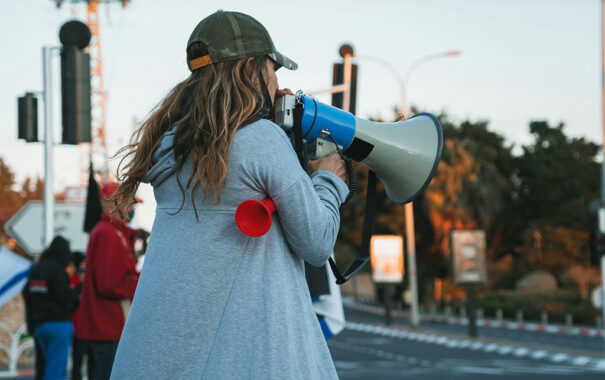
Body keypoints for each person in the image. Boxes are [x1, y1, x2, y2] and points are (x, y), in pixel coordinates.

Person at [109, 9, 348, 379]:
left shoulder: (168, 143)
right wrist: (329, 179)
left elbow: (232, 164)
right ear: (252, 69)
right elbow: (317, 242)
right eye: (272, 70)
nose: (276, 83)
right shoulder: (260, 140)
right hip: (242, 359)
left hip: (156, 356)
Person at [77, 182, 140, 380]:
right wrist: (142, 285)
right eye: (129, 203)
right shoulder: (108, 234)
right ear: (113, 203)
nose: (131, 209)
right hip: (110, 325)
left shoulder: (111, 232)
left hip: (110, 325)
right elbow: (109, 284)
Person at [23, 236, 80, 380]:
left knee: (44, 368)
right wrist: (78, 290)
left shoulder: (37, 270)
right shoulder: (58, 271)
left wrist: (31, 323)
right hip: (58, 324)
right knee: (56, 371)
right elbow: (64, 298)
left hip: (40, 325)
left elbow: (27, 296)